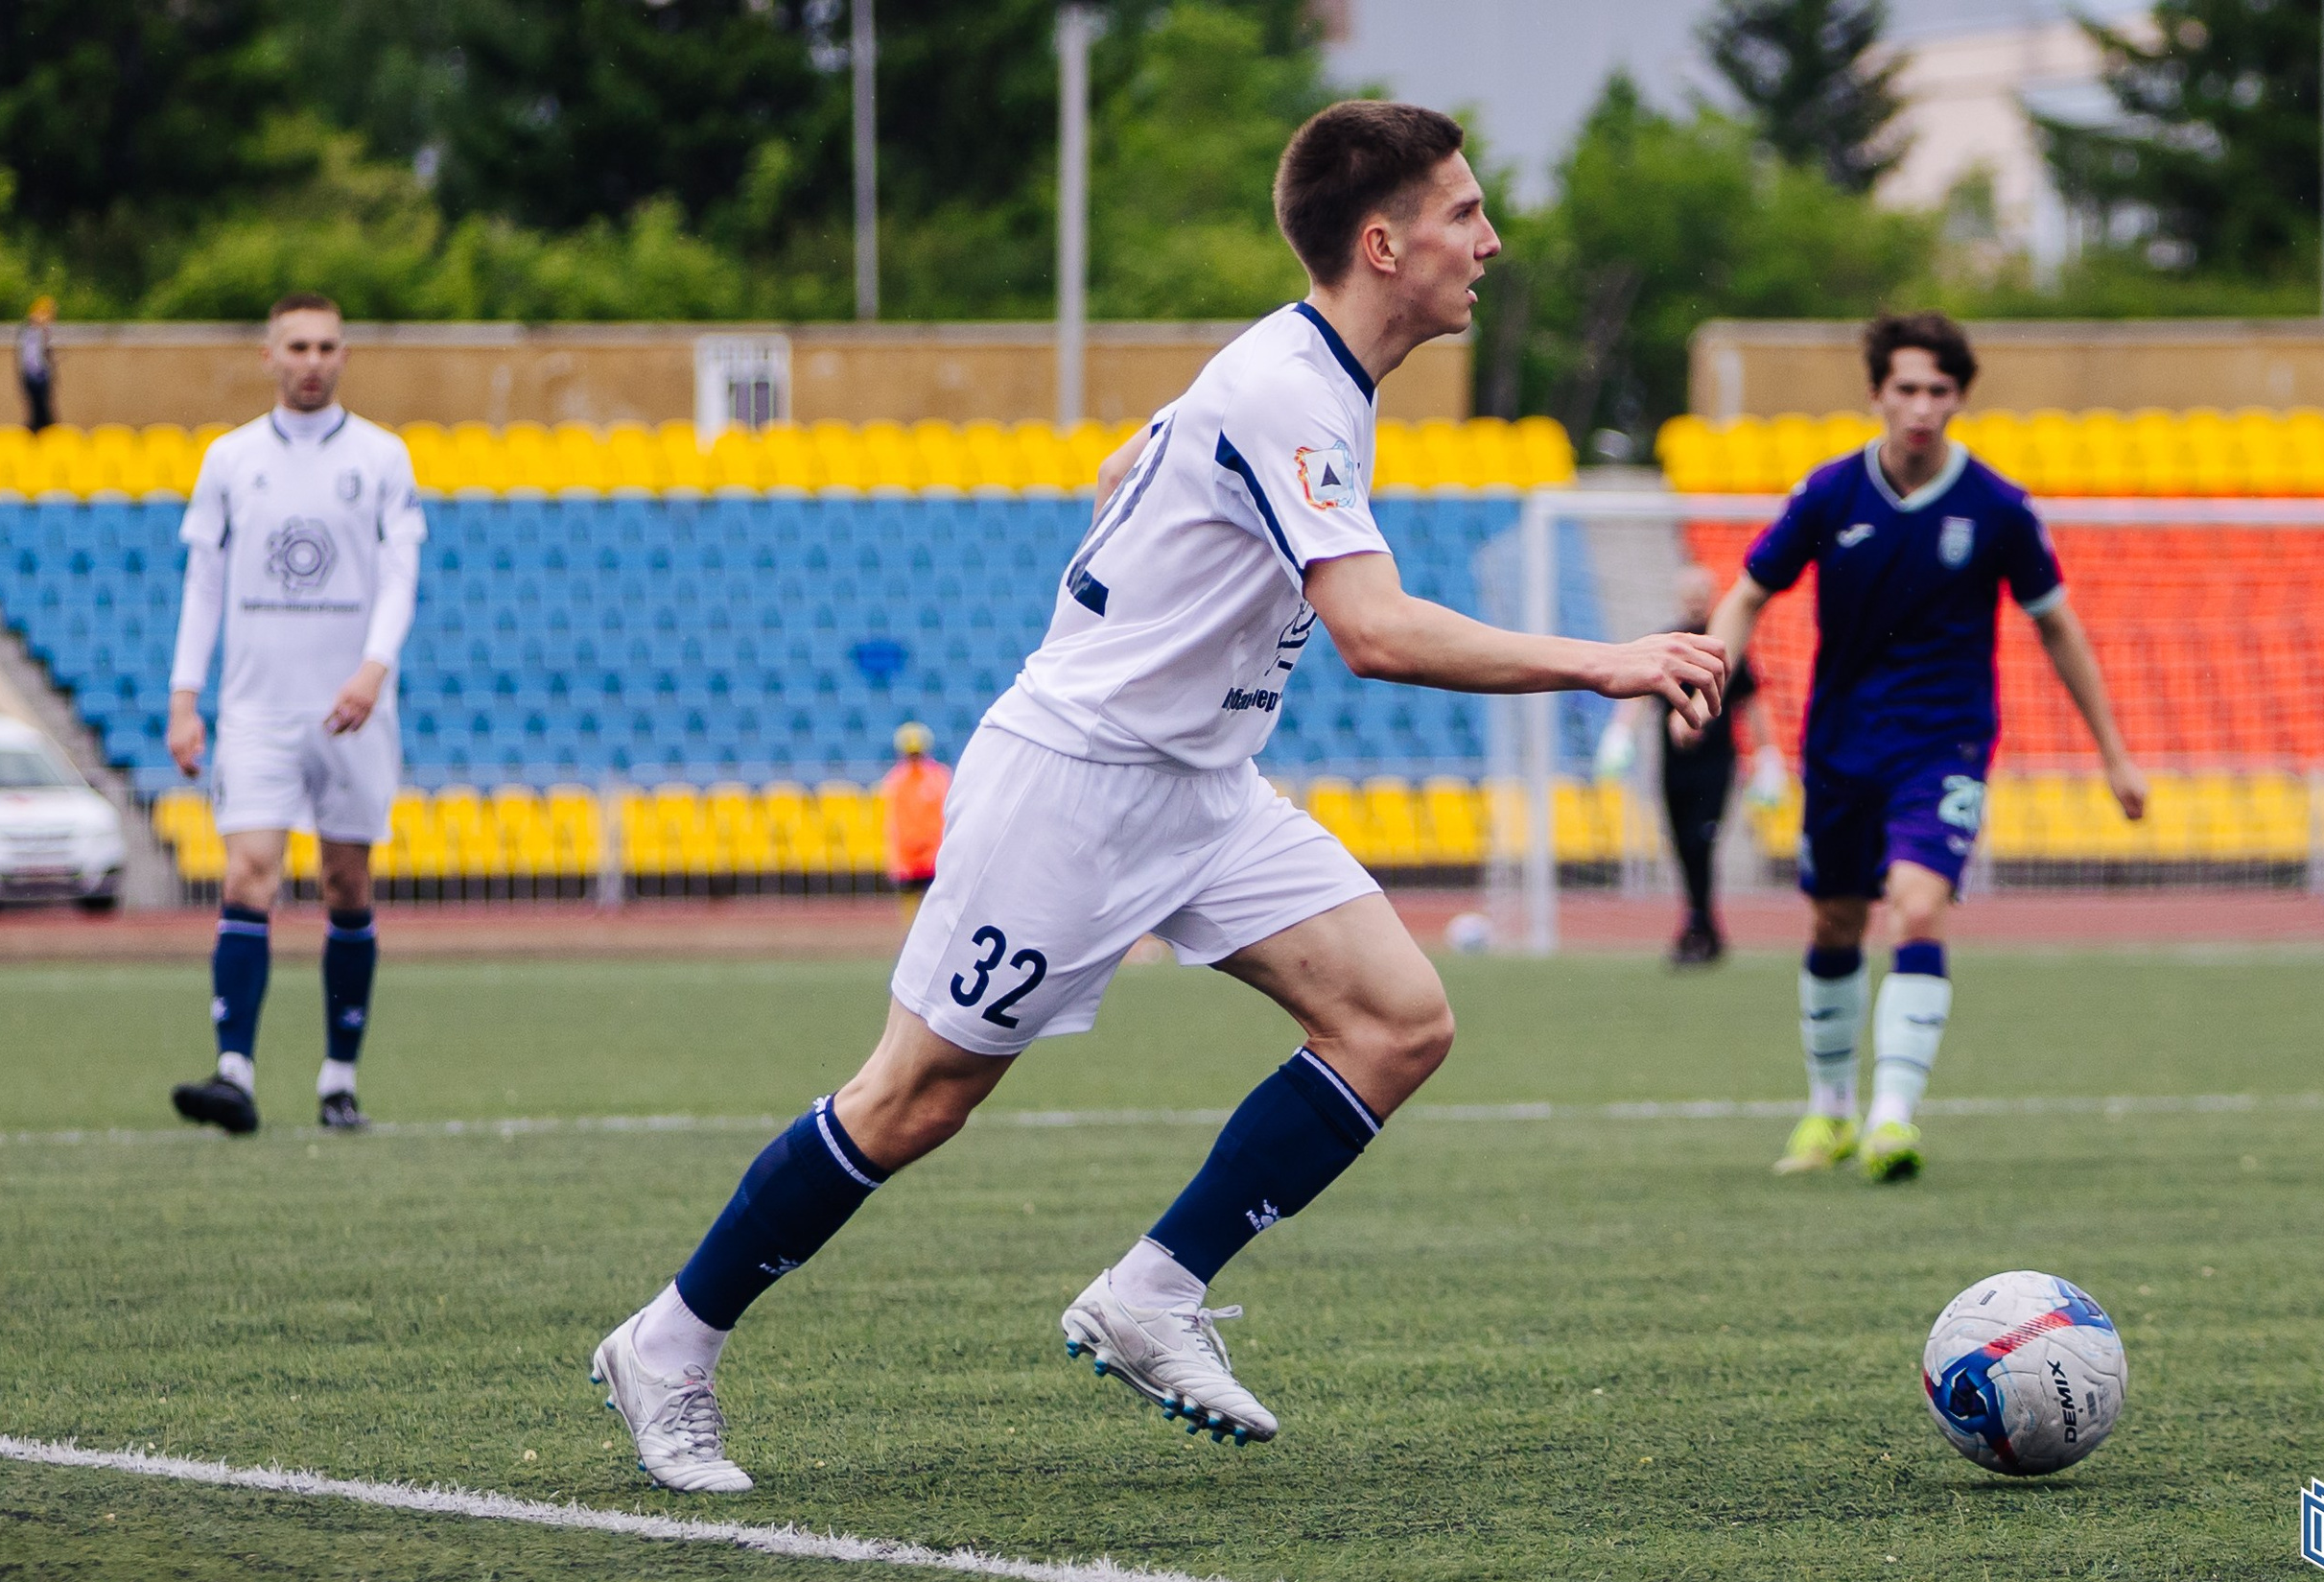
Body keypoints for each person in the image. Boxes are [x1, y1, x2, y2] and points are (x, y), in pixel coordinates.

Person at [589, 100, 1728, 1492]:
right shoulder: (1292, 389)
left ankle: (1152, 1292)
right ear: (1383, 243)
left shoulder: (1294, 370)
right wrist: (1607, 660)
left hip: (1200, 782)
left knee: (1395, 1021)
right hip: (1075, 787)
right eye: (1464, 212)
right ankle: (669, 1341)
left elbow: (1124, 468)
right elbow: (1371, 631)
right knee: (915, 1099)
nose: (1490, 239)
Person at [1703, 312, 2145, 1184]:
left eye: (1938, 391)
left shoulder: (2000, 509)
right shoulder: (1831, 494)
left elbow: (2058, 628)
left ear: (1959, 399)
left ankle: (1892, 1119)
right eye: (1905, 388)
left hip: (1944, 743)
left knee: (1915, 905)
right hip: (1839, 744)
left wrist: (2114, 752)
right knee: (1835, 918)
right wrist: (1708, 680)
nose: (1920, 406)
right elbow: (1748, 594)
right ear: (1876, 394)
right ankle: (1829, 1111)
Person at [163, 293, 426, 1136]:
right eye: (297, 347)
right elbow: (203, 583)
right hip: (255, 709)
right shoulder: (230, 459)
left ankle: (337, 1077)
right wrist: (184, 697)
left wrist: (373, 669)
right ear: (268, 356)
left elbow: (399, 576)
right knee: (249, 875)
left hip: (351, 710)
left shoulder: (383, 456)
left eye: (326, 346)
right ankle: (233, 1072)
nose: (312, 360)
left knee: (347, 884)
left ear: (344, 355)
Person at [1593, 564, 1783, 965]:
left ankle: (1698, 925)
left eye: (1701, 592)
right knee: (1682, 845)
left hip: (1715, 764)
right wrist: (1620, 734)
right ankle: (1703, 927)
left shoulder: (1726, 648)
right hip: (1673, 764)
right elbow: (1641, 695)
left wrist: (1767, 757)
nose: (1695, 600)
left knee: (1702, 841)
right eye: (1689, 593)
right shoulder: (1667, 643)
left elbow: (1751, 707)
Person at [879, 721, 950, 922]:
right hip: (908, 854)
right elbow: (897, 819)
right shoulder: (896, 780)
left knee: (936, 903)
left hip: (933, 853)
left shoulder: (938, 776)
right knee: (910, 905)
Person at [16, 297, 57, 432]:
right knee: (33, 403)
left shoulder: (46, 332)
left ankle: (45, 426)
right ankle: (36, 426)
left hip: (42, 374)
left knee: (43, 404)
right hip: (30, 373)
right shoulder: (27, 332)